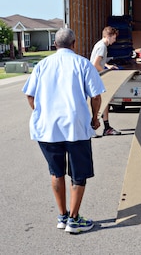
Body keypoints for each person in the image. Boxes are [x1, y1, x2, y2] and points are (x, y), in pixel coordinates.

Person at [22, 28, 105, 233]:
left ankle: (62, 216)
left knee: (56, 172)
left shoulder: (42, 65)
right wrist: (95, 119)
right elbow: (96, 96)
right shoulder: (83, 64)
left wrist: (42, 113)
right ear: (74, 44)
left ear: (55, 45)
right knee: (78, 175)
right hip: (75, 128)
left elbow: (30, 95)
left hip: (48, 130)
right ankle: (74, 220)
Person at [90, 26, 121, 136]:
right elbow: (95, 64)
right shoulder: (102, 46)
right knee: (98, 103)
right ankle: (93, 128)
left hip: (94, 77)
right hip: (95, 77)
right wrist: (105, 72)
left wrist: (108, 65)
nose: (115, 40)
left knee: (104, 102)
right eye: (114, 38)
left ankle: (106, 127)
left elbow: (99, 61)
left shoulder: (100, 44)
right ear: (108, 36)